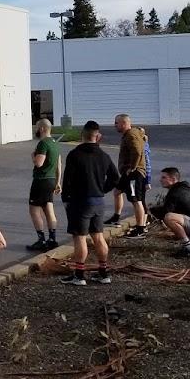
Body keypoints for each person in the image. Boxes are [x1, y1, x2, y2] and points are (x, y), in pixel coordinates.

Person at [59, 121, 120, 286]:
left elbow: (68, 180)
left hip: (80, 201)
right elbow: (115, 178)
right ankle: (104, 272)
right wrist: (102, 189)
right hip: (98, 201)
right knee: (98, 237)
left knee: (80, 238)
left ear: (82, 135)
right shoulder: (104, 156)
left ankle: (79, 275)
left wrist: (66, 199)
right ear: (98, 136)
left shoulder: (75, 155)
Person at [150, 168, 190, 258]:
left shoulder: (175, 193)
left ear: (173, 179)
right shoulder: (181, 189)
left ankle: (189, 249)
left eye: (164, 177)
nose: (160, 180)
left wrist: (151, 210)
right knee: (180, 217)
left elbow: (165, 213)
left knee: (169, 218)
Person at [106, 114, 150, 239]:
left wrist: (133, 167)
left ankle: (140, 228)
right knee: (117, 191)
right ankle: (116, 217)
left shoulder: (131, 135)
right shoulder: (131, 134)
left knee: (136, 200)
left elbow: (137, 151)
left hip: (134, 174)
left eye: (117, 123)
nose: (115, 125)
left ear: (124, 123)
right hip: (128, 174)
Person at [27, 119, 62, 251]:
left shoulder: (43, 143)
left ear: (42, 128)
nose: (35, 130)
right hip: (51, 179)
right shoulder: (55, 143)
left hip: (41, 180)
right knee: (49, 209)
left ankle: (41, 240)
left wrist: (33, 156)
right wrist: (58, 182)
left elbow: (38, 163)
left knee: (34, 210)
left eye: (36, 127)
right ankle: (52, 239)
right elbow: (59, 165)